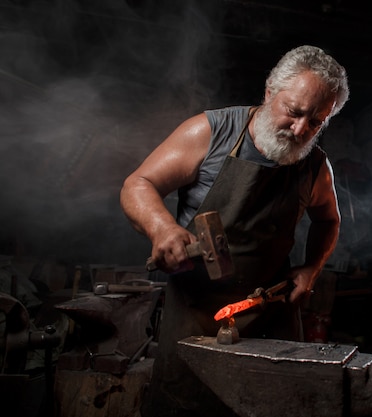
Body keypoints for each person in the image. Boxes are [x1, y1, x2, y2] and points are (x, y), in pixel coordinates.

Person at [119, 45, 349, 417]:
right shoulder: (209, 132)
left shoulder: (315, 167)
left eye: (317, 121)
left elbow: (329, 220)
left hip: (270, 314)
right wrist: (162, 229)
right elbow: (138, 184)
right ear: (269, 91)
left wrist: (311, 270)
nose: (300, 129)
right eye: (294, 111)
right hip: (196, 313)